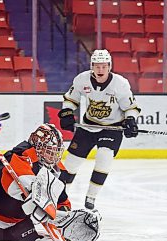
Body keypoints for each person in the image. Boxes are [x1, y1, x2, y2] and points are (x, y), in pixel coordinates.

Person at [58, 49, 140, 210]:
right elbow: (70, 99)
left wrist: (131, 120)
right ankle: (60, 196)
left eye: (104, 66)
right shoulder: (82, 79)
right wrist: (67, 112)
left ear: (109, 66)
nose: (100, 70)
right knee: (71, 163)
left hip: (112, 128)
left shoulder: (120, 84)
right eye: (97, 66)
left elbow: (131, 107)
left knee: (104, 157)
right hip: (89, 125)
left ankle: (91, 198)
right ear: (92, 67)